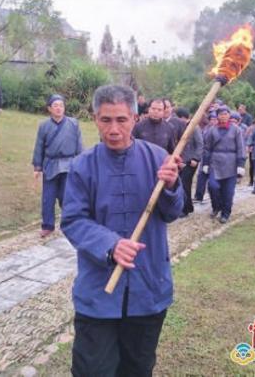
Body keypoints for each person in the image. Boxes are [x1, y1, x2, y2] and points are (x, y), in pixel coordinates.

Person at [60, 85, 184, 376]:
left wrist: (171, 186)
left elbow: (173, 213)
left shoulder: (158, 158)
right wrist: (111, 245)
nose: (113, 129)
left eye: (121, 120)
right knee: (92, 369)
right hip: (98, 292)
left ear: (135, 118)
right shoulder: (82, 166)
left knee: (137, 368)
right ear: (95, 119)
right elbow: (73, 220)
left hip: (148, 288)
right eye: (106, 120)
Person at [32, 94, 83, 238]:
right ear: (49, 108)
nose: (59, 108)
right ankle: (48, 225)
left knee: (66, 196)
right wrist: (37, 167)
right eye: (55, 106)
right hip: (50, 165)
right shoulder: (44, 126)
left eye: (61, 105)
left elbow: (79, 145)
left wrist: (81, 163)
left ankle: (68, 223)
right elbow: (39, 146)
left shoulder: (73, 124)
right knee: (48, 197)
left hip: (68, 164)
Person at [203, 105, 245, 223]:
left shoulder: (236, 130)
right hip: (215, 162)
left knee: (228, 192)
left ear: (229, 115)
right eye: (221, 114)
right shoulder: (212, 130)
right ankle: (216, 206)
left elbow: (241, 148)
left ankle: (225, 213)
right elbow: (207, 148)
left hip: (231, 163)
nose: (223, 116)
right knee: (213, 186)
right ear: (217, 116)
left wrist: (240, 164)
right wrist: (205, 163)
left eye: (225, 114)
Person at [175, 107, 203, 217]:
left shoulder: (194, 127)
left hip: (191, 162)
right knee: (181, 184)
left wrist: (196, 159)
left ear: (182, 117)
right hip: (180, 161)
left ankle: (185, 209)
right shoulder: (179, 127)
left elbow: (200, 144)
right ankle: (188, 206)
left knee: (185, 184)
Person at [194, 111, 218, 203]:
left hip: (215, 156)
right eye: (211, 119)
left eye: (215, 119)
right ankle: (198, 196)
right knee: (201, 175)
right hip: (205, 155)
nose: (213, 121)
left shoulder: (219, 130)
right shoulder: (205, 129)